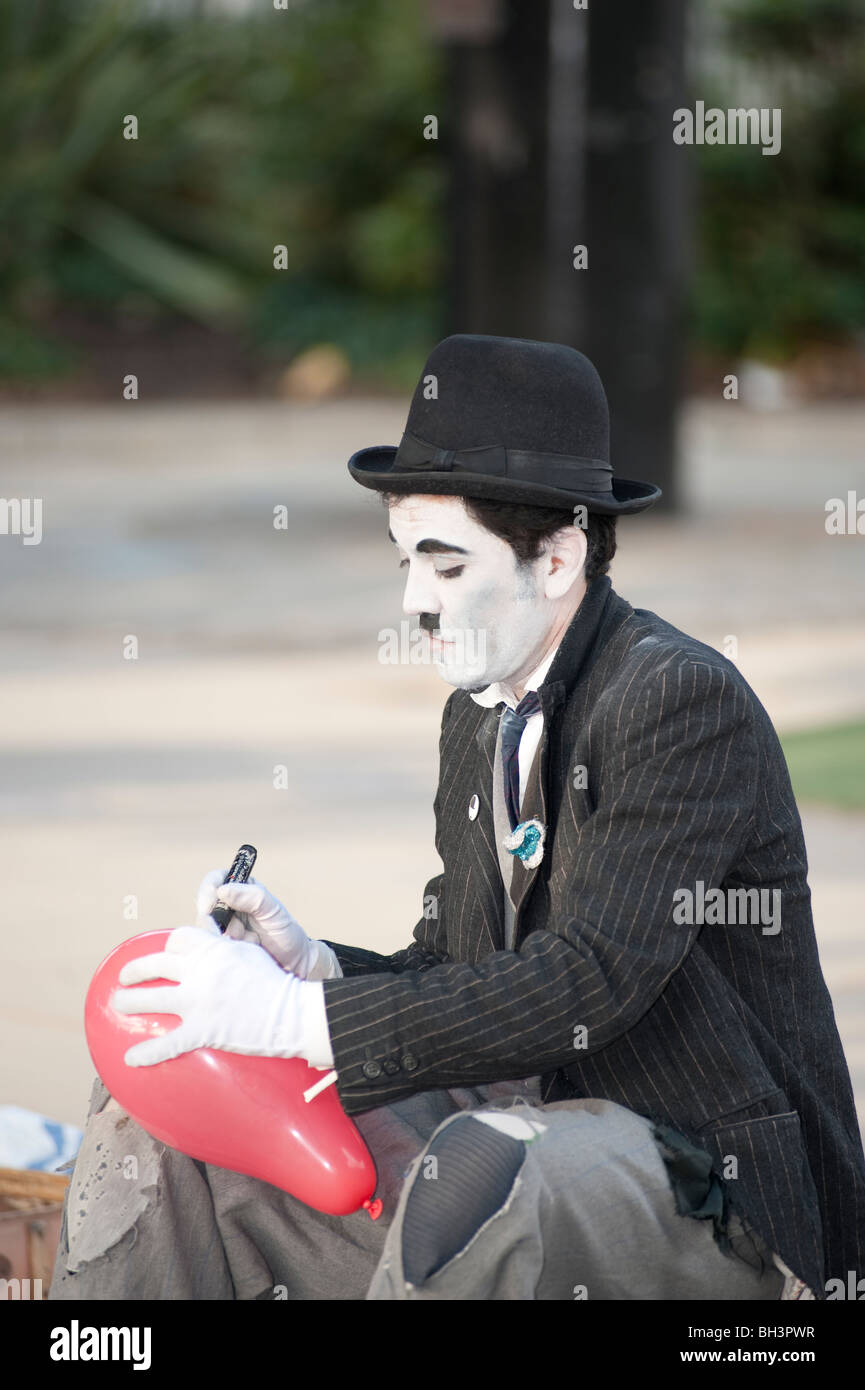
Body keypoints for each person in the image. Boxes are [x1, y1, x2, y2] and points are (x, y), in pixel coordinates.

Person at [50, 334, 865, 1301]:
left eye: (443, 567)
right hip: (522, 1130)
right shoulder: (476, 710)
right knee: (169, 1077)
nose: (411, 602)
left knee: (485, 1165)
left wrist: (296, 1017)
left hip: (708, 1199)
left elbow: (585, 985)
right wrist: (317, 965)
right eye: (404, 562)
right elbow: (466, 972)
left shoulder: (676, 699)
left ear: (558, 557)